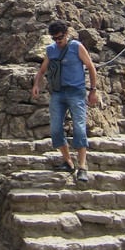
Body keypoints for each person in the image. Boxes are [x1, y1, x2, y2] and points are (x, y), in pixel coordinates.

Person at [31, 20, 98, 182]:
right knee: (55, 129)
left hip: (76, 92)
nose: (58, 41)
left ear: (66, 34)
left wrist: (93, 91)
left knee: (80, 128)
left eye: (60, 38)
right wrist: (36, 84)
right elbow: (42, 70)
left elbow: (90, 67)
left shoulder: (76, 47)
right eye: (54, 38)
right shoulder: (51, 50)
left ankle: (82, 166)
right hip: (58, 94)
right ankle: (68, 161)